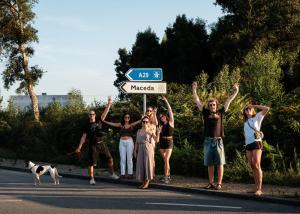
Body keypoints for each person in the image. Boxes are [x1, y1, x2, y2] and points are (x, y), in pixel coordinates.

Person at [192, 81, 239, 190]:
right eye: (210, 105)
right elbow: (197, 101)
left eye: (214, 105)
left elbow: (229, 100)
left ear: (216, 105)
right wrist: (194, 89)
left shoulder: (221, 112)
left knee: (220, 163)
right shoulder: (205, 112)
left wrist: (236, 91)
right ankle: (211, 183)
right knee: (210, 164)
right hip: (208, 141)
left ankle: (219, 183)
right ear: (208, 106)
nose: (212, 106)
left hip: (218, 141)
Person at [75, 96, 119, 185]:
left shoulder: (99, 121)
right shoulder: (86, 125)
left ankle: (112, 174)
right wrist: (79, 146)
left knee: (110, 159)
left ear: (95, 115)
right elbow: (83, 136)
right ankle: (92, 179)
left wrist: (109, 104)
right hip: (93, 145)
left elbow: (104, 114)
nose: (91, 115)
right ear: (88, 116)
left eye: (93, 114)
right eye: (90, 114)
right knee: (92, 163)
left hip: (102, 144)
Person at [102, 113, 141, 179]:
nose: (127, 118)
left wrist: (143, 117)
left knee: (129, 158)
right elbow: (112, 124)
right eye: (126, 117)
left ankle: (130, 174)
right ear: (124, 118)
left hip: (129, 142)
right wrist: (104, 121)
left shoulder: (131, 125)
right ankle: (122, 174)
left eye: (128, 117)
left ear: (130, 118)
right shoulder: (120, 125)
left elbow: (139, 121)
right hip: (122, 142)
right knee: (122, 158)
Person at [243, 104, 269, 196]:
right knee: (252, 165)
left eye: (249, 108)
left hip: (256, 142)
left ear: (253, 110)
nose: (248, 109)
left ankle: (259, 189)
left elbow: (267, 108)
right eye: (246, 109)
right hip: (248, 145)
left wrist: (253, 105)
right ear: (244, 112)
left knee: (257, 164)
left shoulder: (257, 117)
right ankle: (255, 188)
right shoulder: (245, 122)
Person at [134, 116, 160, 189]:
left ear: (148, 123)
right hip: (140, 149)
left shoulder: (150, 131)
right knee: (141, 165)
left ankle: (147, 182)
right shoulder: (138, 131)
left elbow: (157, 140)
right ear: (141, 123)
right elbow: (136, 142)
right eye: (144, 121)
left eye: (146, 122)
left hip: (148, 148)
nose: (145, 123)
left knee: (147, 165)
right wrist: (135, 151)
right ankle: (143, 182)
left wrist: (158, 132)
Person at [158, 96, 174, 184]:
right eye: (160, 117)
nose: (162, 118)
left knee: (166, 159)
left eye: (163, 116)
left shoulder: (171, 122)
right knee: (165, 160)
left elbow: (170, 111)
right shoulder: (161, 126)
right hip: (162, 142)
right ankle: (168, 175)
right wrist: (159, 131)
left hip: (169, 142)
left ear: (166, 116)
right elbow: (158, 136)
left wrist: (166, 101)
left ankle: (166, 177)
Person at [145, 106, 158, 177]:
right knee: (148, 157)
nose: (149, 112)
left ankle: (153, 173)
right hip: (146, 139)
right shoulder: (145, 118)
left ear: (152, 111)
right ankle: (149, 172)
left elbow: (156, 123)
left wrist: (155, 113)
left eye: (150, 111)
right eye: (148, 110)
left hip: (152, 139)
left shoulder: (153, 118)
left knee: (152, 157)